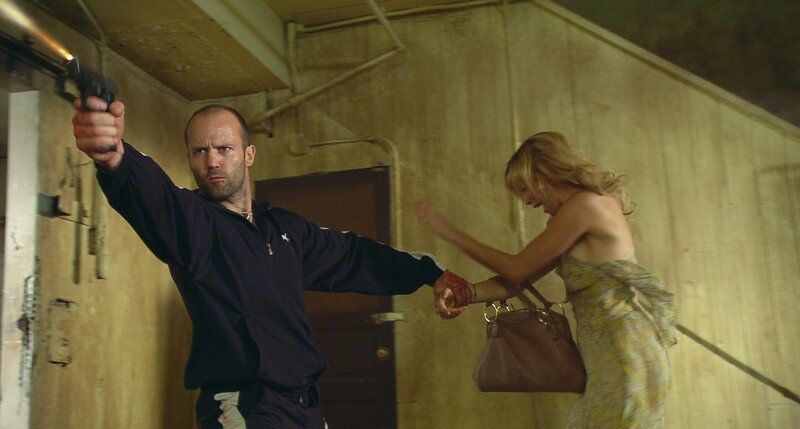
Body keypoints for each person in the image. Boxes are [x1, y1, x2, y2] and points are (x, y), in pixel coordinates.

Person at [72, 96, 469, 429]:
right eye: (200, 151)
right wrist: (114, 155)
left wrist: (429, 273)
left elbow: (351, 255)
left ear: (248, 154)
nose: (212, 162)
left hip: (304, 407)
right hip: (246, 408)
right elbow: (153, 195)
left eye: (224, 149)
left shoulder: (283, 230)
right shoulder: (195, 226)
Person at [414, 131, 678, 428]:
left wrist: (450, 233)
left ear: (544, 175)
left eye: (525, 189)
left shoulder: (587, 206)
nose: (527, 201)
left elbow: (517, 269)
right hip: (610, 353)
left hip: (626, 352)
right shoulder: (573, 214)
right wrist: (466, 293)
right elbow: (517, 280)